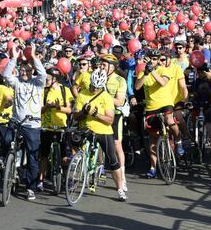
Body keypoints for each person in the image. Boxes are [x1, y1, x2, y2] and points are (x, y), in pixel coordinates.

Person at [74, 68, 127, 201]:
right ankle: (73, 174)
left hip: (104, 131)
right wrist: (84, 113)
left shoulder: (106, 97)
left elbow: (110, 120)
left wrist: (96, 114)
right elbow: (75, 116)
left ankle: (120, 188)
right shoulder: (82, 95)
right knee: (74, 144)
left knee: (112, 159)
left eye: (97, 88)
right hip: (86, 129)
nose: (94, 90)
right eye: (92, 87)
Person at [3, 43, 46, 201]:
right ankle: (8, 164)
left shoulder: (38, 83)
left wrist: (34, 57)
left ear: (31, 71)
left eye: (27, 71)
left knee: (33, 156)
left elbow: (42, 73)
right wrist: (14, 58)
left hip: (32, 125)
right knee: (7, 140)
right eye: (21, 71)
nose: (23, 73)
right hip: (16, 121)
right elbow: (7, 75)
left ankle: (30, 188)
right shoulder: (17, 81)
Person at [135, 49, 179, 179]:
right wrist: (145, 74)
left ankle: (179, 140)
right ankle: (153, 168)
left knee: (170, 121)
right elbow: (137, 87)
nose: (153, 61)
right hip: (151, 107)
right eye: (151, 59)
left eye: (155, 59)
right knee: (153, 138)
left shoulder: (163, 70)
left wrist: (152, 71)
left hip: (165, 103)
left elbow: (163, 82)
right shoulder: (144, 72)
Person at [38, 66, 73, 191]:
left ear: (55, 79)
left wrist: (58, 108)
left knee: (64, 156)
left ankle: (65, 178)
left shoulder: (65, 90)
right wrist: (47, 107)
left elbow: (69, 110)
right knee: (44, 155)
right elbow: (38, 110)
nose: (46, 79)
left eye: (48, 77)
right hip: (46, 127)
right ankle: (41, 180)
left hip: (61, 127)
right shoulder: (43, 90)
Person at [100, 54, 128, 192]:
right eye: (101, 64)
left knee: (117, 145)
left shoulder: (119, 80)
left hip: (115, 115)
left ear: (112, 67)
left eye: (104, 65)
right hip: (100, 116)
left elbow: (119, 101)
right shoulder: (97, 77)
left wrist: (104, 99)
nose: (101, 67)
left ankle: (122, 177)